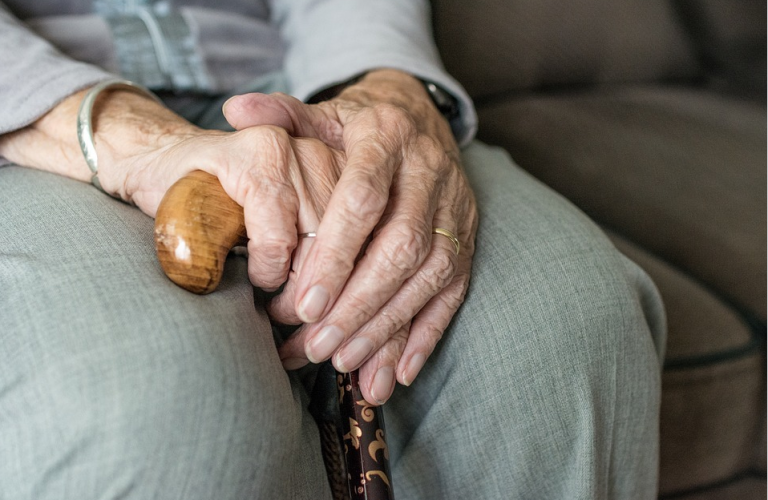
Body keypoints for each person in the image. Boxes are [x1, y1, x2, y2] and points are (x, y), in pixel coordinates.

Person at [0, 1, 666, 498]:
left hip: (293, 89)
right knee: (155, 409)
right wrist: (128, 137)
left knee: (567, 326)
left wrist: (389, 88)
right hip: (30, 117)